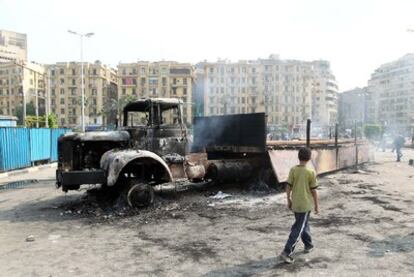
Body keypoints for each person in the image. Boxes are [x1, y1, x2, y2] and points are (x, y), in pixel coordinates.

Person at [279, 147, 319, 264]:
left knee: (303, 224)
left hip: (296, 204)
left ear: (298, 157)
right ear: (309, 158)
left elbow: (288, 187)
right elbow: (314, 191)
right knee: (298, 227)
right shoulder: (311, 172)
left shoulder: (293, 170)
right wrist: (316, 205)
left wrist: (288, 200)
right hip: (305, 205)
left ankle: (308, 244)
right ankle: (287, 252)